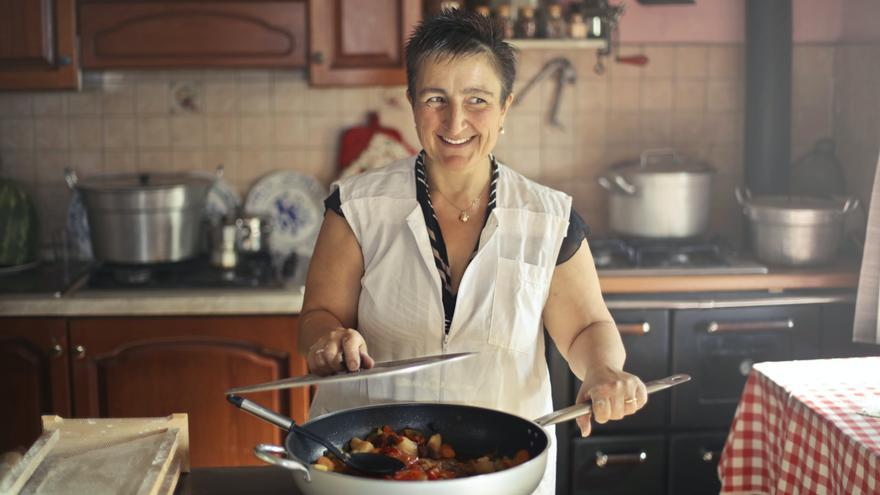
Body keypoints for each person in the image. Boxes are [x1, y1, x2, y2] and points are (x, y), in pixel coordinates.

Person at [297, 8, 647, 493]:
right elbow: (319, 313)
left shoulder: (551, 220)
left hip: (504, 469)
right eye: (435, 98)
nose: (455, 121)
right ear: (413, 103)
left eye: (477, 100)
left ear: (505, 107)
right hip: (368, 468)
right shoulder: (357, 207)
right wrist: (328, 339)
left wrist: (604, 370)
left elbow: (587, 326)